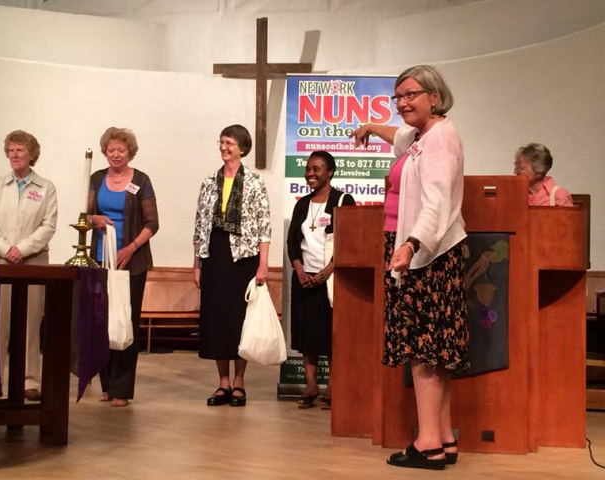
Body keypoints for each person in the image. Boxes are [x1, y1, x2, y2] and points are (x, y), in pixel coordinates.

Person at [351, 65, 469, 470]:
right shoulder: (422, 136)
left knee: (424, 353)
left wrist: (409, 244)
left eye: (410, 95)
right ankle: (445, 438)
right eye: (397, 96)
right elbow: (398, 135)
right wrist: (370, 125)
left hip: (424, 256)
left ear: (434, 96)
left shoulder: (439, 140)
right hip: (417, 252)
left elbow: (437, 203)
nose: (402, 103)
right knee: (432, 353)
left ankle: (428, 444)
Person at [193, 124, 271, 407]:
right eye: (222, 142)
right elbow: (200, 225)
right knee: (216, 319)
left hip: (243, 257)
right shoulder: (208, 182)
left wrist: (263, 265)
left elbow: (264, 226)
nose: (224, 147)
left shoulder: (254, 181)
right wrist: (197, 264)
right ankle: (222, 382)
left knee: (239, 319)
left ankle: (239, 382)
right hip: (214, 255)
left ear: (242, 149)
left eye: (230, 143)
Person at [0, 130, 58, 402]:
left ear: (32, 155)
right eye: (11, 150)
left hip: (32, 261)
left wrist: (21, 250)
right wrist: (6, 249)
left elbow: (48, 226)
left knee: (30, 320)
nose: (14, 155)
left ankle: (29, 381)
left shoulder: (45, 187)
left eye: (20, 150)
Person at [88, 127, 159, 407]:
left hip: (132, 262)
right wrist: (94, 218)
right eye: (111, 149)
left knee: (126, 321)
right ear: (105, 151)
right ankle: (106, 384)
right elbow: (86, 213)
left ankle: (122, 389)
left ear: (130, 151)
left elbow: (152, 223)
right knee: (101, 322)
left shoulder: (140, 181)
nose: (116, 154)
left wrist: (131, 247)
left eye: (121, 149)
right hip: (99, 261)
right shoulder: (96, 179)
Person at [286, 151, 355, 410]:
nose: (310, 174)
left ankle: (333, 388)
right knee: (307, 335)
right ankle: (311, 384)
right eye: (307, 169)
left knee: (331, 336)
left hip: (331, 280)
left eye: (316, 169)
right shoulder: (302, 204)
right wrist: (300, 270)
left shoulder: (343, 200)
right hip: (304, 279)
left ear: (330, 172)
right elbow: (293, 241)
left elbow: (350, 243)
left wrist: (325, 273)